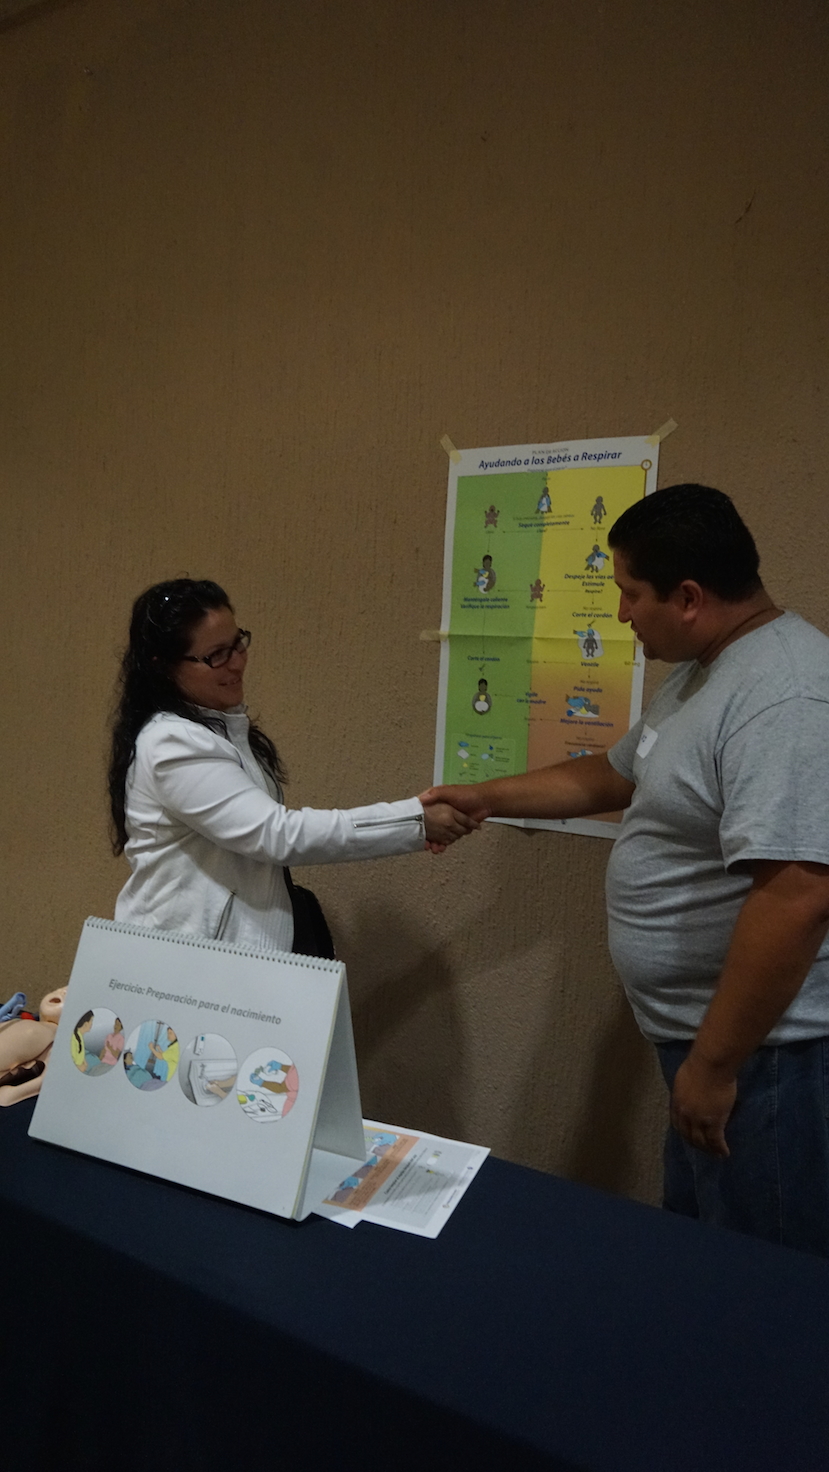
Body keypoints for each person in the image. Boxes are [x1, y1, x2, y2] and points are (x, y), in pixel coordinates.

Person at [425, 483, 829, 1256]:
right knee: (699, 1255)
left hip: (771, 1059)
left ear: (687, 597)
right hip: (707, 1043)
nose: (619, 614)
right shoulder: (705, 670)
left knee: (765, 1280)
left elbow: (799, 896)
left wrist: (714, 1064)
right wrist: (482, 796)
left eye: (629, 593)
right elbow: (615, 774)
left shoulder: (786, 695)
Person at [109, 580, 478, 955]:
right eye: (216, 655)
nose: (237, 662)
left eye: (238, 643)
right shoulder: (173, 743)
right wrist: (415, 820)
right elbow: (277, 835)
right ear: (163, 667)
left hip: (218, 959)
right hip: (177, 962)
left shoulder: (219, 728)